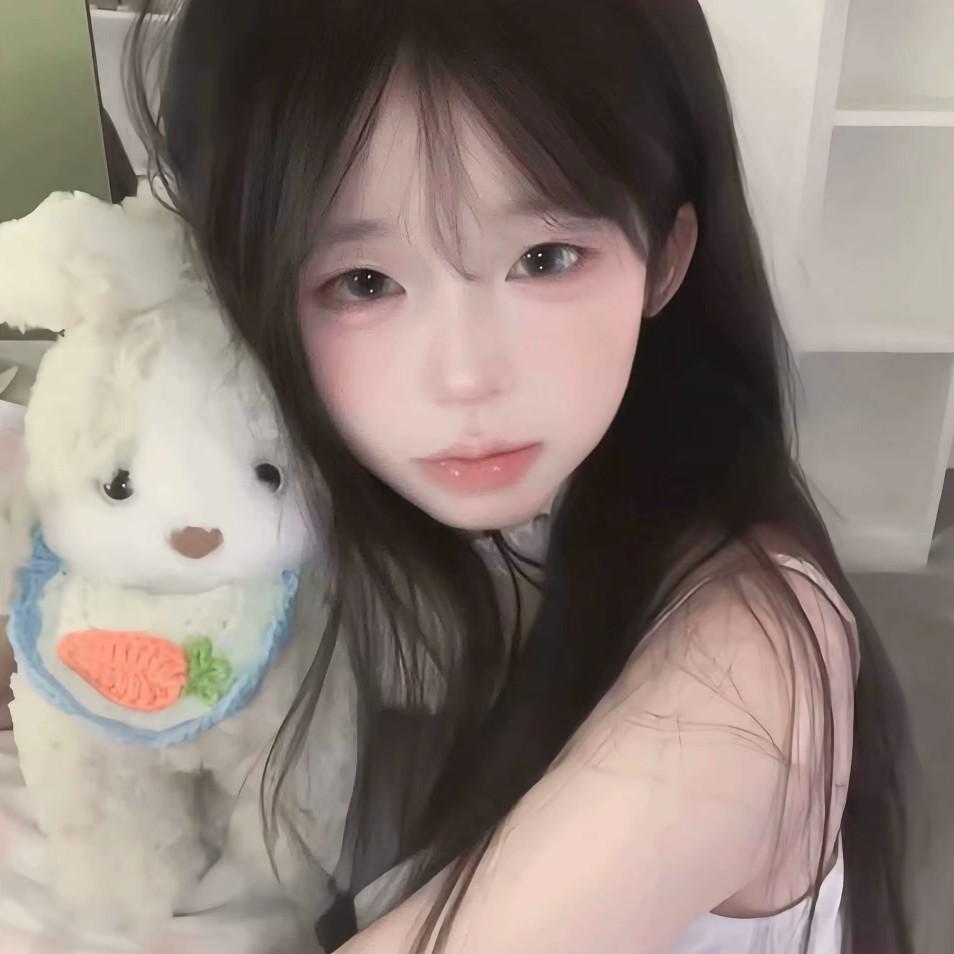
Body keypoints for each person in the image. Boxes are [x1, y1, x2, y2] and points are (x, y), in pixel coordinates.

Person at [0, 0, 913, 951]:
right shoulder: (344, 506)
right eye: (365, 281)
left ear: (666, 258)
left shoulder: (749, 663)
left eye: (546, 258)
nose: (466, 376)